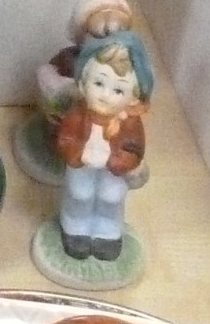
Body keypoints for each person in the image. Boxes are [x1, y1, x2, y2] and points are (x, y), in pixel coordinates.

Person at [53, 30, 154, 262]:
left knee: (112, 196)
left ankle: (107, 232)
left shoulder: (129, 123)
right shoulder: (77, 115)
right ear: (83, 83)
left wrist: (117, 160)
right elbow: (65, 139)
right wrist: (79, 153)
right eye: (98, 83)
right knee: (80, 193)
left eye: (118, 90)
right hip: (82, 166)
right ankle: (75, 227)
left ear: (133, 97)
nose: (105, 96)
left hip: (113, 171)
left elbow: (134, 147)